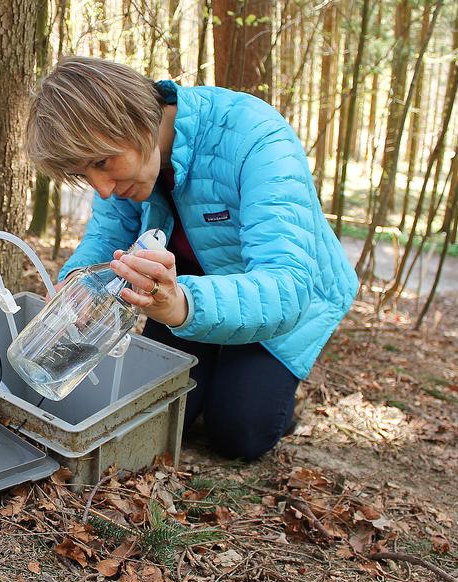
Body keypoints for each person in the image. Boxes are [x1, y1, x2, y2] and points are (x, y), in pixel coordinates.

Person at [24, 56, 359, 460]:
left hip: (278, 300)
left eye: (101, 163)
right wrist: (77, 284)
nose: (103, 188)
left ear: (134, 117)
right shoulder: (126, 164)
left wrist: (181, 304)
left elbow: (286, 285)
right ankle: (216, 365)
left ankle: (269, 391)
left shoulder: (258, 138)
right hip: (181, 294)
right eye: (85, 174)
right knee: (159, 418)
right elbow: (106, 238)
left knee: (239, 434)